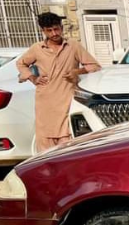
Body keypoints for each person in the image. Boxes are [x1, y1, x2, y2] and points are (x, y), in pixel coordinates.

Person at [17, 12, 101, 153]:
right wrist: (33, 78)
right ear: (43, 31)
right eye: (49, 30)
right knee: (45, 142)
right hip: (45, 101)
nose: (54, 33)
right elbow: (21, 64)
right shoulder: (37, 49)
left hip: (67, 99)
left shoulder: (73, 46)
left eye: (57, 29)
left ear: (61, 28)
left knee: (67, 142)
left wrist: (77, 72)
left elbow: (94, 66)